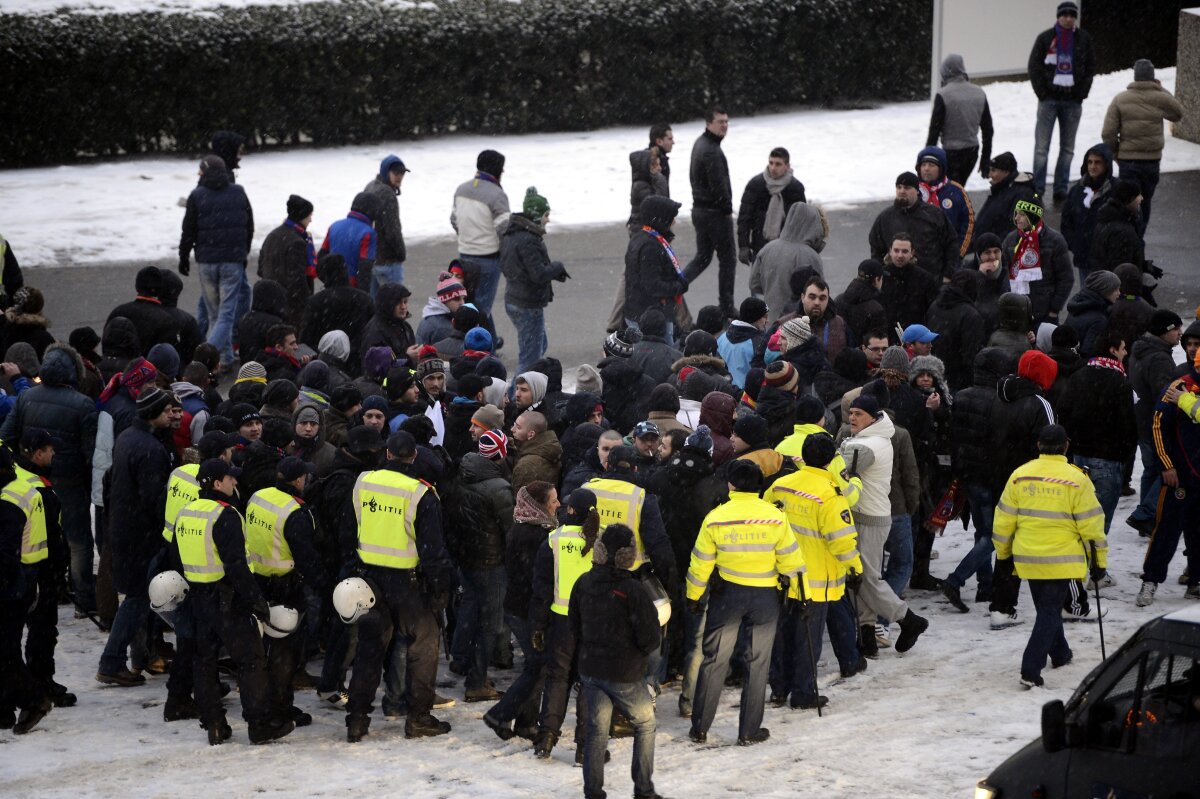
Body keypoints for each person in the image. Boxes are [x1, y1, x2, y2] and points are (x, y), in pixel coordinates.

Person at [343, 431, 456, 742]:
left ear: (388, 454)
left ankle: (357, 719)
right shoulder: (421, 494)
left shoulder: (363, 482)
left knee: (369, 651)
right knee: (423, 649)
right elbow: (433, 550)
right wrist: (440, 589)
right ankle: (418, 717)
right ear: (414, 457)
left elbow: (351, 527)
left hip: (369, 581)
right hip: (408, 584)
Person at [173, 458, 294, 744]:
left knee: (204, 662)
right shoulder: (225, 515)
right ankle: (259, 724)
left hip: (199, 600)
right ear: (217, 483)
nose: (235, 482)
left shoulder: (186, 512)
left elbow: (177, 558)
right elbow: (237, 566)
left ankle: (214, 724)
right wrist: (256, 601)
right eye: (230, 478)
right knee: (251, 662)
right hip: (228, 600)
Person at [686, 459, 805, 745]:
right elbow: (791, 560)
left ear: (731, 485)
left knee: (714, 660)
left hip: (728, 595)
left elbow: (700, 563)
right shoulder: (775, 517)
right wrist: (801, 596)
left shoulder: (716, 517)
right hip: (765, 597)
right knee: (757, 663)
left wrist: (693, 595)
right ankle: (749, 731)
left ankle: (700, 727)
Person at [992, 425, 1106, 687]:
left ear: (1038, 445)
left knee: (1047, 609)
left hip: (1027, 555)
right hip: (1061, 558)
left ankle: (1061, 653)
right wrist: (1099, 560)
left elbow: (1004, 519)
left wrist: (1004, 552)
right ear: (1067, 445)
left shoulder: (1020, 476)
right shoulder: (1077, 479)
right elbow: (1091, 525)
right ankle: (1030, 669)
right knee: (1050, 610)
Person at [765, 432, 863, 709]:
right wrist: (855, 569)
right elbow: (842, 542)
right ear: (832, 460)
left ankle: (779, 688)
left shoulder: (780, 486)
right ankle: (804, 693)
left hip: (782, 576)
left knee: (783, 636)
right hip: (815, 581)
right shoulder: (830, 496)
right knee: (808, 640)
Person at [0, 344, 98, 619]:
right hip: (70, 483)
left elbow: (6, 436)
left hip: (31, 483)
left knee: (36, 540)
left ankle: (45, 590)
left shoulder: (26, 397)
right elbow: (89, 452)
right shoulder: (83, 404)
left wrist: (18, 468)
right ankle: (84, 599)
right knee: (78, 542)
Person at [572, 522, 663, 799]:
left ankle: (593, 791)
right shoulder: (633, 591)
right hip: (623, 673)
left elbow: (574, 626)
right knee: (645, 723)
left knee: (597, 732)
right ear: (629, 555)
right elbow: (650, 638)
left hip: (590, 668)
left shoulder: (583, 582)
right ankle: (643, 789)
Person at [840, 394, 929, 655]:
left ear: (873, 417)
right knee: (860, 577)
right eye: (852, 413)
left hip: (870, 518)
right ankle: (867, 636)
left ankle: (909, 620)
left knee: (866, 577)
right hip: (864, 515)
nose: (852, 418)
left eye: (859, 414)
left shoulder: (872, 444)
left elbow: (838, 467)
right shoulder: (867, 438)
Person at [96, 387, 175, 686]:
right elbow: (154, 499)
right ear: (154, 413)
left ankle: (138, 656)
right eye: (167, 411)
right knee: (138, 598)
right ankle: (111, 660)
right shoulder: (150, 449)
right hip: (141, 536)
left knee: (137, 596)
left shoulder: (128, 437)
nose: (172, 415)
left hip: (122, 529)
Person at [244, 456, 330, 727]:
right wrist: (326, 586)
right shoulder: (295, 512)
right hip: (285, 588)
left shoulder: (258, 496)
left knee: (265, 648)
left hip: (258, 581)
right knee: (286, 652)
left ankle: (270, 703)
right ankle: (279, 707)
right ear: (297, 480)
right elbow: (307, 557)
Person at [1057, 330, 1136, 584]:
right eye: (1123, 348)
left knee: (1079, 516)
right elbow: (1128, 425)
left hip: (1079, 457)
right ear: (1113, 350)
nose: (1126, 353)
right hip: (1108, 458)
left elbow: (1064, 413)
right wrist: (1124, 455)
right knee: (1100, 519)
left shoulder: (1079, 376)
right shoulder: (1119, 381)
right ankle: (1096, 571)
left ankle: (1078, 566)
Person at [528, 488, 599, 759]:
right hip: (592, 624)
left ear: (570, 510)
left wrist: (537, 625)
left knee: (557, 679)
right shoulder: (600, 541)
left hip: (561, 622)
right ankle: (584, 747)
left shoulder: (553, 540)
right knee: (588, 684)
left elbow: (542, 588)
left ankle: (545, 739)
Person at [941, 347, 1013, 612]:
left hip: (969, 476)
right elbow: (999, 444)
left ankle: (985, 585)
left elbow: (955, 435)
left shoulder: (962, 396)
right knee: (995, 536)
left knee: (983, 532)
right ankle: (956, 579)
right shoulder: (999, 401)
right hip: (991, 477)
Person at [445, 430, 514, 702]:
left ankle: (460, 660)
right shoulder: (499, 488)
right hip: (491, 562)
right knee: (491, 624)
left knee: (469, 610)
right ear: (501, 454)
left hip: (466, 558)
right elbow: (509, 529)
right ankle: (476, 682)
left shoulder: (462, 474)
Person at [178, 154, 254, 371]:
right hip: (232, 261)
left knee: (215, 314)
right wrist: (243, 253)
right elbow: (249, 225)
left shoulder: (197, 195)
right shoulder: (238, 192)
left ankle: (209, 360)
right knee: (226, 315)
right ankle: (221, 357)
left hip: (207, 262)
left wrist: (184, 256)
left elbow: (188, 230)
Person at [0, 446, 53, 735]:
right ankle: (6, 708)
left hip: (13, 585)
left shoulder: (9, 501)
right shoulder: (21, 488)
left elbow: (5, 553)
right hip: (25, 578)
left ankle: (34, 699)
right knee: (7, 649)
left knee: (5, 652)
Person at [1101, 59, 1184, 232]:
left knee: (1126, 201)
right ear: (1153, 77)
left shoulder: (1120, 99)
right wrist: (1161, 89)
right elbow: (1178, 113)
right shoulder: (1160, 97)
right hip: (1151, 161)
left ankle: (1127, 236)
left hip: (1128, 161)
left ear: (1135, 76)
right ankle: (1139, 236)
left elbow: (1108, 133)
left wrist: (1117, 153)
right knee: (1144, 201)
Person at [609, 123, 676, 333]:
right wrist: (658, 176)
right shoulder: (645, 182)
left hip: (643, 229)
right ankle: (616, 321)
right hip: (643, 231)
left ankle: (680, 319)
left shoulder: (647, 170)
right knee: (636, 275)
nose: (673, 141)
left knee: (654, 272)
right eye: (669, 138)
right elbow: (659, 199)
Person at [1028, 1, 1096, 203]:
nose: (1068, 18)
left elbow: (1090, 68)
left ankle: (1060, 188)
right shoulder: (1045, 38)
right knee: (1042, 148)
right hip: (1048, 101)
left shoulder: (1084, 39)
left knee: (1067, 148)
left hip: (1072, 102)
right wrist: (1043, 92)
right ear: (1058, 16)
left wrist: (1081, 93)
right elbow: (1034, 67)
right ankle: (1037, 189)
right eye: (1064, 15)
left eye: (1071, 15)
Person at [1126, 310, 1183, 536]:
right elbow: (1166, 395)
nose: (1180, 333)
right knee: (1166, 470)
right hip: (1156, 424)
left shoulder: (1139, 350)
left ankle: (1145, 521)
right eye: (1176, 329)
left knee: (1151, 470)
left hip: (1141, 420)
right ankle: (1146, 514)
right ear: (1164, 331)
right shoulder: (1159, 358)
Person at [502, 187, 569, 375]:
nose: (548, 219)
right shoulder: (527, 239)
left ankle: (526, 389)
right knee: (529, 359)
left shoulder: (513, 234)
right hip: (526, 305)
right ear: (536, 215)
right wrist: (557, 267)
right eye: (546, 214)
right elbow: (538, 274)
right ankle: (516, 397)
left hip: (514, 300)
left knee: (540, 345)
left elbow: (516, 268)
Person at [683, 107, 737, 318]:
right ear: (708, 123)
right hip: (714, 213)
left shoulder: (702, 143)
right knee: (727, 259)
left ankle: (675, 287)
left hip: (700, 210)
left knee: (703, 256)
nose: (724, 125)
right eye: (720, 122)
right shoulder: (711, 150)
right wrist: (726, 209)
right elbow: (718, 185)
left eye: (726, 121)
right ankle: (726, 306)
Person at [451, 150, 511, 335]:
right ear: (498, 171)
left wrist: (468, 237)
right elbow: (505, 229)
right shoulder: (496, 194)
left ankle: (490, 338)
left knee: (470, 302)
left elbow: (454, 220)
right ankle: (482, 346)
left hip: (464, 256)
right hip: (488, 258)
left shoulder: (461, 189)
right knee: (481, 308)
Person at [868, 171, 959, 282]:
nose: (902, 191)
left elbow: (951, 244)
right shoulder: (885, 218)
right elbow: (876, 249)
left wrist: (948, 274)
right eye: (899, 187)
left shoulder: (934, 215)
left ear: (917, 190)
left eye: (907, 188)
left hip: (931, 283)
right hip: (895, 284)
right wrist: (881, 275)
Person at [749, 202, 826, 324]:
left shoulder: (767, 249)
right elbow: (820, 292)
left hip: (771, 321)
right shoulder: (811, 256)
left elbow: (755, 285)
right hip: (800, 324)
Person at [1000, 198, 1073, 326]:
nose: (1016, 218)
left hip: (1044, 314)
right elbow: (1003, 274)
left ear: (1032, 216)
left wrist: (1054, 310)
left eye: (1022, 214)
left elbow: (1065, 278)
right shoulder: (1011, 240)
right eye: (1016, 213)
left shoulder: (1055, 241)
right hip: (1016, 311)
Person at [624, 196, 687, 342]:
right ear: (661, 219)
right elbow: (653, 286)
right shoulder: (651, 246)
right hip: (651, 318)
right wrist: (678, 286)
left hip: (640, 312)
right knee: (661, 358)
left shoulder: (641, 238)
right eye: (671, 218)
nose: (674, 222)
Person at [926, 54, 994, 185]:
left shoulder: (943, 94)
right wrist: (985, 158)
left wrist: (927, 158)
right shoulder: (979, 92)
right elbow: (988, 129)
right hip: (971, 152)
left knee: (950, 192)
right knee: (958, 188)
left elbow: (934, 129)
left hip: (950, 153)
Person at [737, 147, 807, 266]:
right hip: (760, 247)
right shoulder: (756, 185)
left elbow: (802, 221)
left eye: (778, 164)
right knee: (758, 284)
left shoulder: (795, 188)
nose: (773, 168)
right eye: (771, 163)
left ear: (787, 166)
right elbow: (744, 217)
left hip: (787, 249)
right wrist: (743, 246)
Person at [301, 254, 373, 367]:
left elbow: (306, 337)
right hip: (358, 361)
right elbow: (371, 332)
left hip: (325, 361)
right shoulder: (364, 299)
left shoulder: (316, 301)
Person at [257, 194, 315, 328]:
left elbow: (261, 268)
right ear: (302, 216)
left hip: (270, 298)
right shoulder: (297, 241)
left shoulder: (272, 235)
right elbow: (297, 279)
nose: (311, 220)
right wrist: (306, 302)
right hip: (290, 304)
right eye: (309, 216)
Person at [1060, 144, 1114, 283]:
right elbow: (1067, 221)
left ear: (1106, 165)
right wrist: (1075, 245)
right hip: (1083, 257)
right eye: (1090, 162)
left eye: (1097, 162)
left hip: (1108, 260)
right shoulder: (1077, 190)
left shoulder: (1116, 190)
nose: (1092, 166)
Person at [927, 270, 986, 392]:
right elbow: (970, 354)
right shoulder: (971, 315)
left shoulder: (935, 306)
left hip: (933, 372)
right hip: (959, 380)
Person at [363, 154, 410, 297]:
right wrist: (401, 253)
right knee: (395, 305)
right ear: (386, 172)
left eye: (402, 173)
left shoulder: (370, 186)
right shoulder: (387, 194)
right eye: (395, 173)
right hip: (388, 262)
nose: (399, 177)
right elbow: (392, 230)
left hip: (371, 258)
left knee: (374, 306)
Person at [106, 266, 180, 357]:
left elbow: (106, 344)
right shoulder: (166, 320)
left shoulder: (117, 312)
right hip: (148, 370)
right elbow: (168, 356)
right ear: (159, 290)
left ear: (137, 287)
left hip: (116, 369)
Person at [915, 147, 975, 257]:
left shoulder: (956, 190)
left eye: (931, 165)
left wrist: (958, 254)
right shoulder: (912, 190)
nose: (926, 169)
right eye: (923, 165)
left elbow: (968, 222)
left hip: (947, 257)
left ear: (941, 168)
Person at [879, 233, 940, 333]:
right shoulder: (880, 276)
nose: (900, 255)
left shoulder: (925, 279)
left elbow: (933, 311)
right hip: (886, 335)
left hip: (915, 335)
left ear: (912, 253)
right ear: (890, 251)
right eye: (896, 250)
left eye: (904, 251)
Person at [973, 152, 1038, 242]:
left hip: (995, 251)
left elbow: (1015, 231)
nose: (989, 175)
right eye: (990, 170)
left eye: (993, 170)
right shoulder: (1001, 188)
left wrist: (992, 246)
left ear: (1006, 172)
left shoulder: (1023, 195)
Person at [319, 192, 378, 290]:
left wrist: (327, 280)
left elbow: (321, 257)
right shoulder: (368, 233)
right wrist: (363, 295)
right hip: (353, 288)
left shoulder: (334, 226)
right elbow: (365, 267)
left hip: (332, 287)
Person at [1089, 180, 1148, 276]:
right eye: (1138, 195)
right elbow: (1120, 271)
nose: (1141, 198)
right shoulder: (1121, 231)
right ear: (1128, 199)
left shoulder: (1112, 219)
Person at [359, 283, 417, 372]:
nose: (403, 307)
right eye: (398, 303)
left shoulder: (404, 326)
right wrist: (407, 358)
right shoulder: (376, 331)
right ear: (388, 305)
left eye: (405, 302)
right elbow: (378, 369)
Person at [1063, 270, 1120, 356]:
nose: (1119, 293)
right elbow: (1089, 353)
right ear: (1105, 291)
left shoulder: (1079, 305)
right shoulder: (1099, 320)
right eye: (1116, 290)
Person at [716, 298, 768, 390]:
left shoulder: (721, 338)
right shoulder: (760, 343)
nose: (767, 321)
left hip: (724, 391)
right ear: (755, 318)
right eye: (764, 317)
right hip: (747, 396)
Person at [416, 270, 468, 346]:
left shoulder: (430, 316)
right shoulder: (443, 328)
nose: (462, 303)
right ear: (444, 301)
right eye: (456, 299)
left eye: (463, 298)